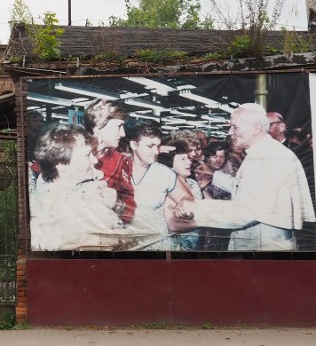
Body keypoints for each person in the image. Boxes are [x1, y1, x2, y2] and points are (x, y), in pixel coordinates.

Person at [178, 103, 316, 251]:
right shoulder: (262, 152)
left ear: (256, 128)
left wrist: (195, 208)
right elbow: (245, 188)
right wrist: (214, 174)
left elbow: (248, 211)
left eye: (235, 127)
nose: (230, 132)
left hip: (265, 246)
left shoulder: (271, 157)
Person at [29, 124, 123, 250]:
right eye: (87, 155)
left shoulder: (86, 187)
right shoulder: (46, 213)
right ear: (61, 164)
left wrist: (117, 205)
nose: (95, 161)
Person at [126, 120, 196, 250]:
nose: (156, 151)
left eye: (158, 146)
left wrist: (183, 205)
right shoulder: (118, 168)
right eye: (150, 146)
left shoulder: (164, 173)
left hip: (156, 245)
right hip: (125, 245)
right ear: (134, 144)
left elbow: (187, 198)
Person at [83, 99, 136, 224]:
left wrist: (118, 204)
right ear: (98, 126)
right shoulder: (71, 154)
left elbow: (130, 208)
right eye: (119, 126)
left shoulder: (122, 161)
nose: (123, 133)